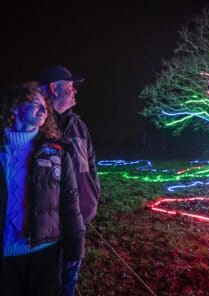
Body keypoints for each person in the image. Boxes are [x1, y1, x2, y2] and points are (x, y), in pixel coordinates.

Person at [0, 82, 85, 296]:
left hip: (45, 254)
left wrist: (75, 250)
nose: (43, 110)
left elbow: (70, 203)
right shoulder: (3, 151)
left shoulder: (56, 152)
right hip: (6, 257)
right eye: (35, 104)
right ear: (15, 107)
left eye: (45, 107)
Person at [39, 65, 101, 296]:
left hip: (77, 222)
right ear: (54, 88)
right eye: (70, 86)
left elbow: (90, 164)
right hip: (44, 230)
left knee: (68, 282)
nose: (75, 91)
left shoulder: (78, 126)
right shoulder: (34, 123)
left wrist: (91, 197)